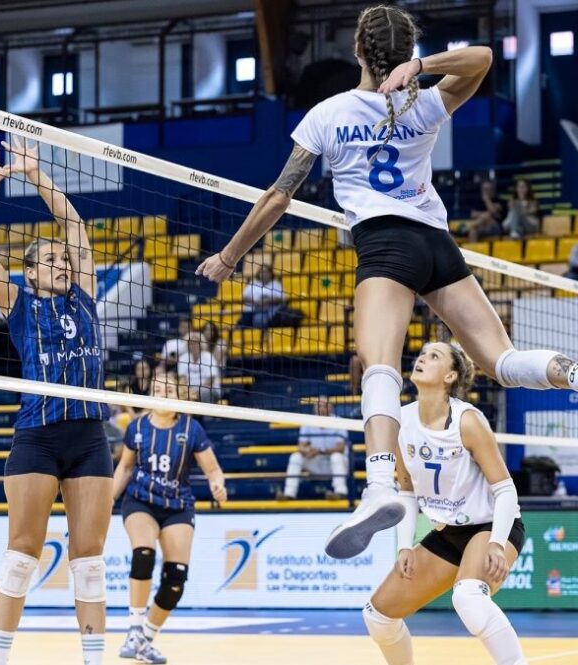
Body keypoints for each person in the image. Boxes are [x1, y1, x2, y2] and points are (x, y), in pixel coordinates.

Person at [196, 4, 578, 561]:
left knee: (379, 367)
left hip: (384, 244)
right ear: (403, 53)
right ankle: (568, 370)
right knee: (500, 362)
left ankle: (378, 489)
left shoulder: (328, 114)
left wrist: (230, 257)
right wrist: (421, 68)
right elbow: (484, 58)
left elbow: (280, 195)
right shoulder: (424, 100)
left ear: (357, 50)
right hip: (436, 245)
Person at [0, 137, 111, 665]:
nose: (62, 263)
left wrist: (35, 175)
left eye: (62, 259)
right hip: (36, 435)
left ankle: (94, 659)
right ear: (30, 272)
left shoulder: (87, 294)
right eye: (50, 260)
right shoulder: (16, 301)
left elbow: (75, 227)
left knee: (90, 559)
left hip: (88, 435)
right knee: (21, 554)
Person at [364, 343, 526, 665]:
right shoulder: (400, 422)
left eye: (434, 356)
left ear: (450, 376)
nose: (422, 357)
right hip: (447, 532)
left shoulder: (466, 421)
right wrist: (404, 546)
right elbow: (407, 491)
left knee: (468, 598)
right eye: (422, 353)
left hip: (490, 526)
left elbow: (506, 490)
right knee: (377, 616)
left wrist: (496, 543)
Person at [113, 373, 227, 664]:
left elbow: (212, 469)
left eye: (167, 389)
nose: (161, 393)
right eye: (157, 388)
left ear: (180, 397)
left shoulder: (192, 429)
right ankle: (134, 629)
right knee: (143, 553)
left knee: (176, 577)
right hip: (140, 500)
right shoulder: (137, 426)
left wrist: (218, 483)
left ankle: (146, 640)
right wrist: (106, 502)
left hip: (177, 505)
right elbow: (125, 469)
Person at [277, 396, 349, 500]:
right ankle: (289, 494)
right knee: (296, 456)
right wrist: (307, 451)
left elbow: (341, 448)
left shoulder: (339, 421)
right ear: (314, 408)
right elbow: (301, 446)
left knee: (336, 456)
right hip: (316, 462)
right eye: (319, 406)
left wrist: (319, 451)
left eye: (324, 406)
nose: (321, 409)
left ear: (331, 408)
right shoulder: (308, 421)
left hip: (336, 464)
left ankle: (340, 493)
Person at [177, 331, 221, 403]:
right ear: (187, 345)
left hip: (209, 389)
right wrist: (186, 391)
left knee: (204, 392)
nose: (194, 345)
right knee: (180, 392)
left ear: (201, 344)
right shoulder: (183, 358)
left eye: (196, 342)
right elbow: (182, 379)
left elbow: (210, 380)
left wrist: (197, 392)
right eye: (191, 343)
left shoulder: (208, 356)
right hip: (190, 390)